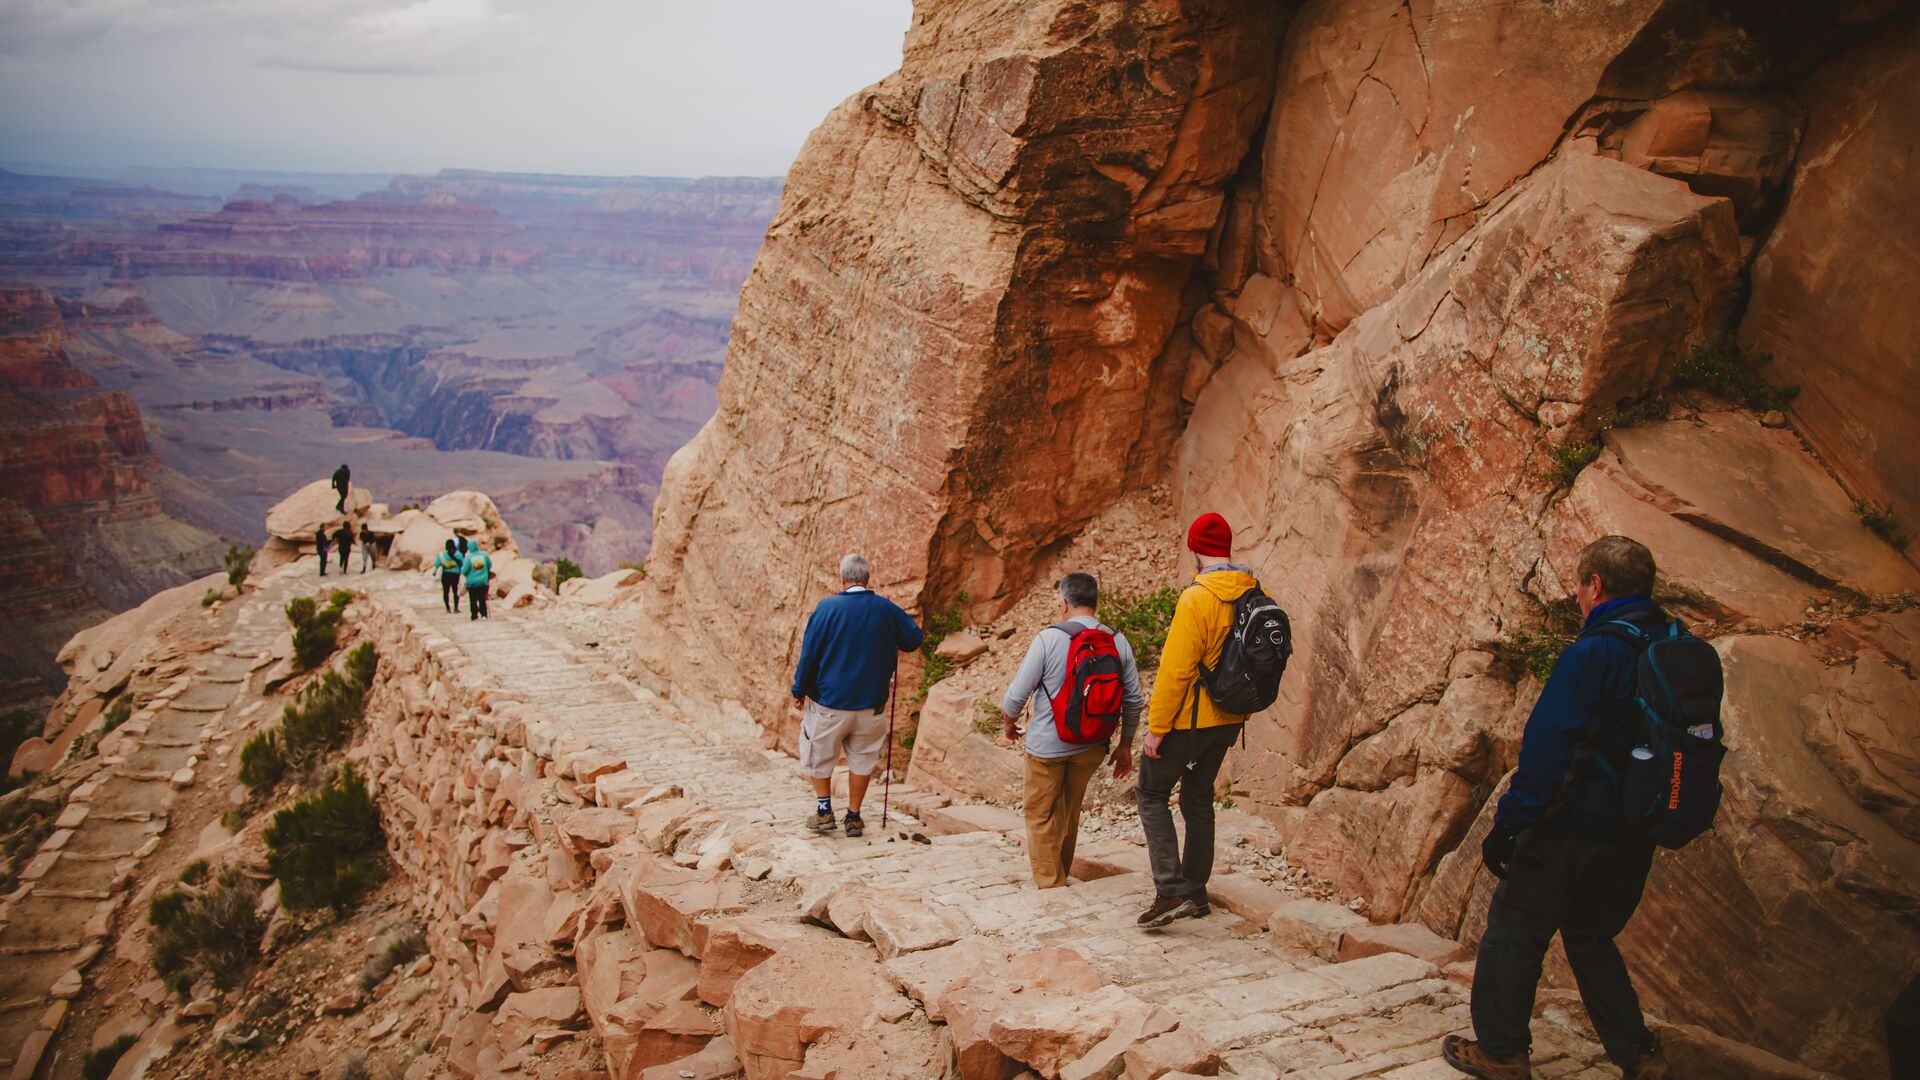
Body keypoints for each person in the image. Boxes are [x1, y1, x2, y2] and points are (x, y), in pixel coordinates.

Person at [1442, 536, 1674, 1080]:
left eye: (1578, 586)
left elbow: (1552, 749)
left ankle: (1501, 1051)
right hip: (1638, 828)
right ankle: (1638, 1054)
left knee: (1515, 928)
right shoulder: (1675, 645)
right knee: (1591, 935)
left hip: (1572, 825)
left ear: (1595, 586)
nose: (1577, 598)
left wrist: (1512, 822)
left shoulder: (1592, 653)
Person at [1135, 512, 1260, 927]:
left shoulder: (1197, 596)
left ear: (1194, 549)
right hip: (1229, 719)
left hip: (1190, 720)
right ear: (1228, 548)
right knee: (1197, 797)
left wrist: (1157, 728)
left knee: (1151, 792)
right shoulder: (1252, 590)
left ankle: (1170, 890)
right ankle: (1195, 892)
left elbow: (1176, 670)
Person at [1000, 572, 1144, 888]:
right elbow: (1134, 699)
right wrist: (1124, 745)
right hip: (1092, 745)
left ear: (1064, 603)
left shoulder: (1049, 638)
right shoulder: (1117, 640)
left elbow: (1017, 694)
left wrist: (1010, 723)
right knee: (1069, 812)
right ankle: (1060, 872)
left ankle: (1052, 885)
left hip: (1048, 748)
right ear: (1095, 602)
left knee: (1040, 814)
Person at [789, 553, 923, 838]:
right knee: (862, 758)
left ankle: (824, 811)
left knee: (820, 755)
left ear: (842, 578)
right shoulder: (884, 609)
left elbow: (809, 654)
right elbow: (914, 639)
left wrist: (799, 689)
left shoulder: (826, 608)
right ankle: (854, 816)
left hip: (829, 702)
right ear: (867, 578)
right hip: (870, 704)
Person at [463, 541, 493, 620]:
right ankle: (484, 614)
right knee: (482, 598)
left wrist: (468, 575)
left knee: (472, 599)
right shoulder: (484, 555)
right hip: (483, 581)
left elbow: (464, 570)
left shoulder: (468, 558)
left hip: (471, 582)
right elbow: (489, 565)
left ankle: (474, 615)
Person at [434, 539, 463, 613]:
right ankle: (456, 608)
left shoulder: (442, 554)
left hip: (446, 575)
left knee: (446, 591)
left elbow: (437, 564)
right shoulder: (458, 554)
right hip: (455, 575)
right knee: (455, 591)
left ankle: (448, 608)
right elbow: (463, 563)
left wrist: (435, 571)